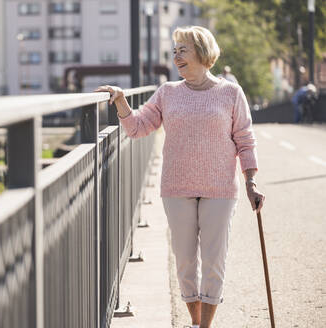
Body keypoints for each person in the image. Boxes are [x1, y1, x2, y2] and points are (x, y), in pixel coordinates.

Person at [95, 26, 265, 328]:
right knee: (186, 263)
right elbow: (137, 128)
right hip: (176, 187)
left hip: (220, 189)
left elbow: (245, 139)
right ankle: (196, 321)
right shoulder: (168, 93)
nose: (176, 57)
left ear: (202, 52)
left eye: (182, 50)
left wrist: (251, 181)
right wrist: (121, 100)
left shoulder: (230, 92)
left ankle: (203, 326)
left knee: (214, 262)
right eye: (174, 52)